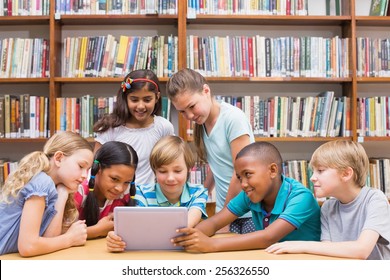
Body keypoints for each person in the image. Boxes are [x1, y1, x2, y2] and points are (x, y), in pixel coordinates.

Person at [171, 141, 321, 253]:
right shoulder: (250, 194)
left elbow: (268, 237)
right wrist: (189, 237)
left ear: (273, 170)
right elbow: (215, 222)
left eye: (248, 174)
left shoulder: (301, 197)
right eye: (239, 177)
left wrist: (211, 245)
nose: (243, 184)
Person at [266, 140, 390, 260]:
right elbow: (326, 250)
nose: (312, 178)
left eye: (320, 171)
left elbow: (362, 250)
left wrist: (301, 245)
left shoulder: (375, 200)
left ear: (346, 174)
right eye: (313, 172)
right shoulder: (328, 207)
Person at [166, 68, 255, 234]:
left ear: (206, 91)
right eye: (182, 112)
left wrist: (224, 220)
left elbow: (241, 173)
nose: (189, 116)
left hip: (248, 212)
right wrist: (199, 196)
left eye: (192, 106)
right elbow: (217, 166)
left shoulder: (233, 119)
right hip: (227, 212)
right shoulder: (203, 123)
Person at [106, 135, 208, 252]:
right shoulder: (142, 192)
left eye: (177, 171)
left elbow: (188, 223)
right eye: (163, 171)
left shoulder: (199, 192)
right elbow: (137, 226)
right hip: (149, 253)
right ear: (154, 171)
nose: (170, 178)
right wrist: (115, 238)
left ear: (189, 169)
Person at [0, 131, 94, 257]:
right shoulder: (42, 182)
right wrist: (70, 239)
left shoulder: (53, 186)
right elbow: (28, 247)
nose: (84, 175)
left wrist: (62, 194)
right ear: (59, 158)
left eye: (87, 170)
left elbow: (50, 238)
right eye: (81, 166)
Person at [94, 69, 174, 185]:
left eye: (147, 100)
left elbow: (171, 162)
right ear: (126, 98)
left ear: (157, 97)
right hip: (117, 195)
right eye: (134, 99)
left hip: (149, 197)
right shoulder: (111, 127)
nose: (140, 106)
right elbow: (95, 164)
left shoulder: (164, 127)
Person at [74, 141, 138, 239]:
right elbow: (63, 234)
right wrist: (98, 230)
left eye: (127, 182)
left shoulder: (126, 195)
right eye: (114, 179)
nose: (120, 188)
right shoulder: (78, 191)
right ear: (98, 169)